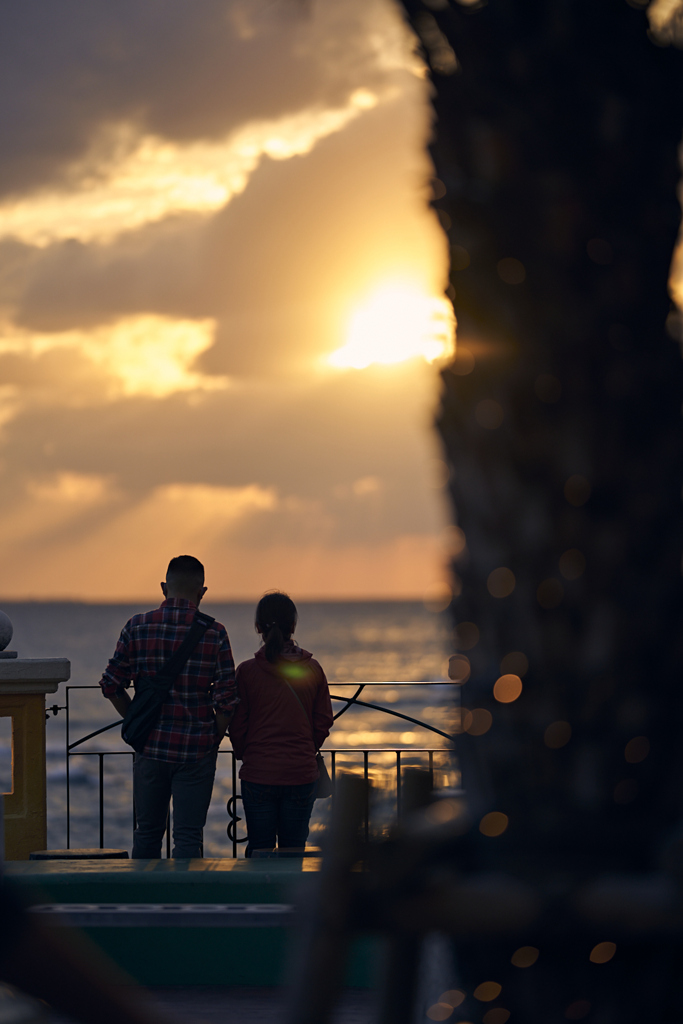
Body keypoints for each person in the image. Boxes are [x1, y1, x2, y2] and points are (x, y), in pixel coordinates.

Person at [99, 555, 238, 858]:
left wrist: (136, 719)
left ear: (164, 588)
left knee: (147, 833)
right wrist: (213, 737)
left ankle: (144, 902)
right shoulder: (215, 633)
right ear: (202, 592)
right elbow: (227, 699)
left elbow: (111, 684)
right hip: (195, 750)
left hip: (150, 747)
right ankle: (184, 901)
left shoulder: (137, 626)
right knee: (189, 836)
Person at [229, 591, 333, 857]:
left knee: (260, 851)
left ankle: (258, 899)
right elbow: (323, 721)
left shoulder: (247, 672)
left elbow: (237, 725)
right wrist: (305, 747)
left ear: (258, 628)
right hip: (300, 772)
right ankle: (291, 900)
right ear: (293, 627)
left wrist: (246, 754)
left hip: (259, 773)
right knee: (293, 852)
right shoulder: (313, 669)